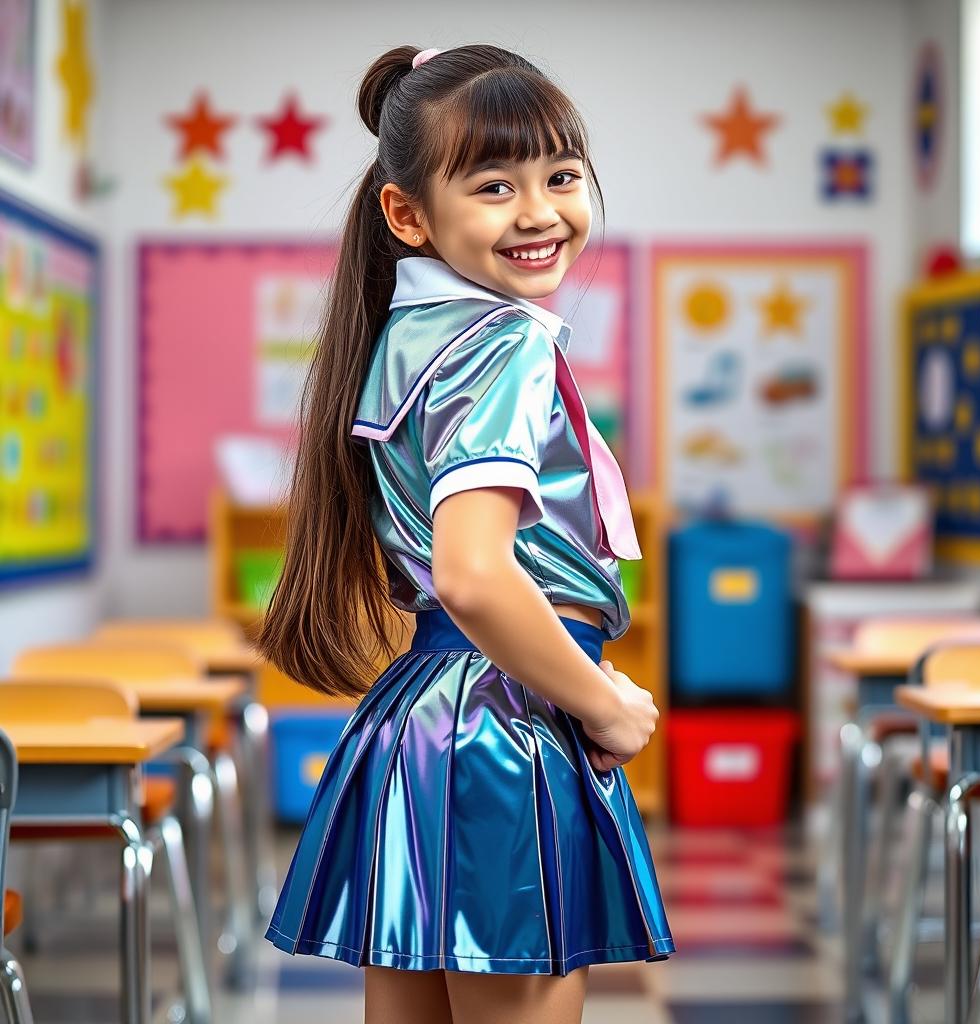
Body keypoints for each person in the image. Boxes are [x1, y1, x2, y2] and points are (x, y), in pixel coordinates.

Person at [256, 42, 676, 1024]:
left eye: (560, 177)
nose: (538, 211)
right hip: (506, 721)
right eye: (493, 185)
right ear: (407, 214)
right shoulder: (507, 341)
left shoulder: (405, 332)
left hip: (421, 713)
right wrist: (604, 705)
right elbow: (476, 578)